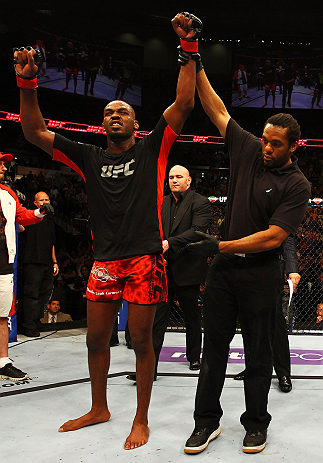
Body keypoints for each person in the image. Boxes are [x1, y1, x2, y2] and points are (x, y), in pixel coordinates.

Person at [14, 11, 200, 450]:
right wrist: (27, 83)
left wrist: (189, 47)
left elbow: (185, 103)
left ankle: (141, 418)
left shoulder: (155, 146)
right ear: (102, 125)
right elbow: (35, 131)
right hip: (104, 261)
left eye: (122, 110)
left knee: (140, 340)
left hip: (144, 257)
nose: (114, 113)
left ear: (136, 123)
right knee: (96, 339)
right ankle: (99, 408)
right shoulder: (88, 156)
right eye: (108, 112)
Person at [182, 57, 310, 455]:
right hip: (223, 274)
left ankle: (255, 424)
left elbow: (274, 238)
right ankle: (206, 423)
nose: (267, 147)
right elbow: (216, 107)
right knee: (213, 351)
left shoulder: (297, 184)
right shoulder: (247, 148)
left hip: (259, 274)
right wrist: (194, 57)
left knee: (258, 354)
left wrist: (220, 246)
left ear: (293, 146)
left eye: (276, 144)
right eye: (265, 139)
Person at [126, 165, 211, 381]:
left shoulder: (199, 202)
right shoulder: (161, 202)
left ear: (189, 180)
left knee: (191, 315)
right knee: (157, 320)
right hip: (162, 268)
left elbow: (197, 232)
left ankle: (194, 357)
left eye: (179, 177)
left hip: (188, 268)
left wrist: (168, 243)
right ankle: (148, 369)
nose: (174, 180)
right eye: (171, 177)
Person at [0, 153, 50, 381]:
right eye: (0, 163)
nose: (4, 166)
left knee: (2, 315)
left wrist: (40, 212)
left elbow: (23, 216)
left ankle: (2, 362)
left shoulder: (9, 193)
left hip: (4, 262)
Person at [233, 236, 301, 393]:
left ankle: (283, 374)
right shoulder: (242, 213)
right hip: (243, 269)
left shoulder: (275, 211)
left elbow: (287, 240)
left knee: (276, 322)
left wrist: (292, 269)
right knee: (247, 320)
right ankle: (251, 368)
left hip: (270, 270)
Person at [22, 191, 58, 337]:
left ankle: (36, 320)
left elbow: (52, 244)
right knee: (31, 295)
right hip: (32, 261)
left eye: (47, 199)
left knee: (44, 294)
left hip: (47, 262)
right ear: (35, 203)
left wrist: (55, 262)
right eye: (41, 200)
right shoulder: (30, 216)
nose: (45, 202)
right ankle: (28, 325)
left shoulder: (50, 220)